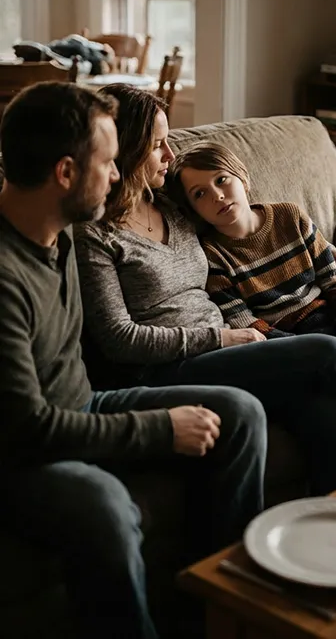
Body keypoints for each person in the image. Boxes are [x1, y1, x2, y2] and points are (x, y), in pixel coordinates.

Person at [0, 82, 267, 639]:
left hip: (85, 402)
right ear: (65, 174)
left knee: (240, 413)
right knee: (104, 505)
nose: (120, 175)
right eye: (106, 162)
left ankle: (225, 604)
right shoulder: (6, 276)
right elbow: (28, 428)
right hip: (19, 452)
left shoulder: (61, 232)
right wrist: (159, 429)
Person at [74, 84, 336, 496]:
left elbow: (238, 216)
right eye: (157, 145)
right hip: (170, 366)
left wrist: (326, 253)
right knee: (325, 352)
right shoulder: (95, 233)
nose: (169, 154)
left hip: (233, 349)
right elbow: (118, 340)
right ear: (124, 150)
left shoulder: (171, 203)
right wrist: (219, 337)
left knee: (330, 412)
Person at [165, 140, 336, 442]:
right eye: (200, 194)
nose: (217, 195)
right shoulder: (213, 257)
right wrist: (313, 349)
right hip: (298, 346)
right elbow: (249, 325)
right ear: (193, 210)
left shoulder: (289, 216)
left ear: (241, 177)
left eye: (221, 179)